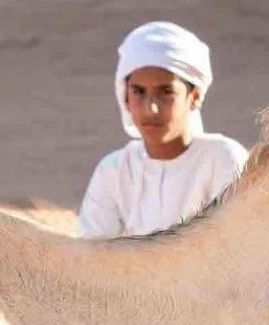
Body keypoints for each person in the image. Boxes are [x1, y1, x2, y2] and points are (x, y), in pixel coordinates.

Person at [77, 21, 248, 239]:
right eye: (138, 91)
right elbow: (94, 252)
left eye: (166, 92)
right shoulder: (114, 170)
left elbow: (237, 247)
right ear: (125, 98)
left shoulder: (224, 160)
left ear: (194, 97)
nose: (151, 108)